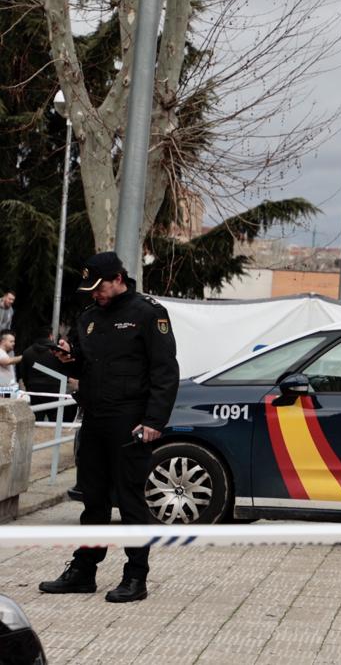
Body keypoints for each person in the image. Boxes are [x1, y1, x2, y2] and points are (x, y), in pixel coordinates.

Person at [38, 251, 179, 603]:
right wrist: (70, 359)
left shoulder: (148, 314)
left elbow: (165, 371)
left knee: (130, 501)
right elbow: (84, 368)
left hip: (129, 422)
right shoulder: (89, 318)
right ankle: (84, 571)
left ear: (118, 278)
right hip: (95, 419)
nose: (94, 294)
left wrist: (153, 422)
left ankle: (135, 576)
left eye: (98, 287)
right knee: (94, 500)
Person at [18, 326, 76, 421]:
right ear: (50, 336)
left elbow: (23, 373)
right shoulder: (57, 351)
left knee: (36, 421)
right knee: (55, 423)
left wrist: (28, 386)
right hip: (56, 391)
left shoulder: (27, 352)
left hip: (34, 391)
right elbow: (67, 370)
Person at [0, 330, 20, 396]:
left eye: (14, 341)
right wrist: (25, 356)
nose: (13, 343)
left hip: (7, 389)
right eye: (11, 341)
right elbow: (7, 361)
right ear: (3, 341)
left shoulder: (4, 353)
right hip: (4, 390)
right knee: (25, 398)